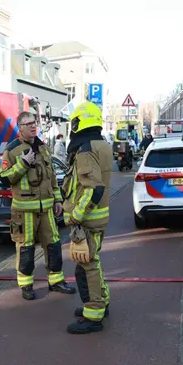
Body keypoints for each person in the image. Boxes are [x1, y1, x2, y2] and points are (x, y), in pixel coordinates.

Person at [0, 112, 76, 301]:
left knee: (54, 245)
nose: (34, 126)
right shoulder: (13, 150)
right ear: (20, 127)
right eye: (28, 124)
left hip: (47, 208)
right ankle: (26, 285)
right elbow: (4, 178)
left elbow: (51, 178)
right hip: (24, 209)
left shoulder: (43, 147)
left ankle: (56, 281)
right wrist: (24, 164)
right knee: (26, 248)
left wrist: (58, 200)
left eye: (35, 123)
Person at [62, 101, 112, 334]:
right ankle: (101, 302)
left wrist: (74, 216)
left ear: (78, 123)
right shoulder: (101, 144)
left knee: (87, 265)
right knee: (92, 263)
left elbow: (93, 189)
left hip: (88, 220)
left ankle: (94, 315)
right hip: (99, 217)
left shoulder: (84, 150)